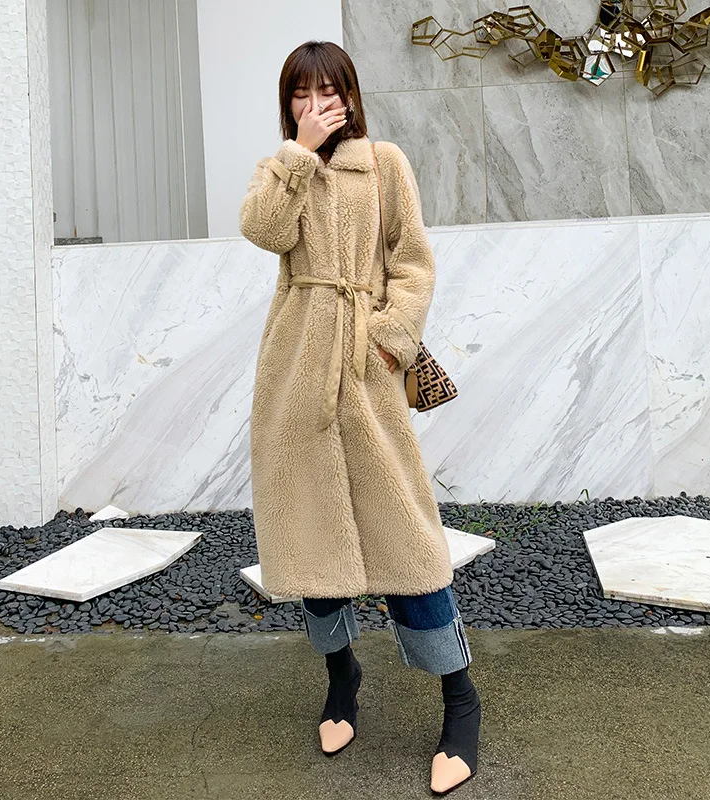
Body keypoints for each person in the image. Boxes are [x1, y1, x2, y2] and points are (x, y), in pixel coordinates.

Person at [238, 40, 481, 796]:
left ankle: (461, 700)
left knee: (407, 541)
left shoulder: (385, 164)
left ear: (350, 95)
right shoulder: (282, 169)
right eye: (301, 94)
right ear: (289, 103)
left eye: (329, 91)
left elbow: (413, 261)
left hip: (366, 367)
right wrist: (297, 154)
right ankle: (342, 678)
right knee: (314, 541)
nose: (317, 105)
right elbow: (264, 232)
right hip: (295, 370)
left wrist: (387, 338)